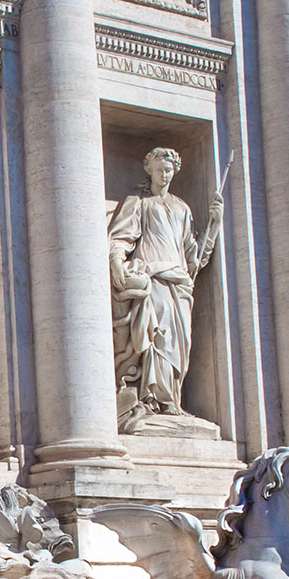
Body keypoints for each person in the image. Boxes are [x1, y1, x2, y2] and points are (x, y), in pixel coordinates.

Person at [108, 147, 223, 429]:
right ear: (150, 170)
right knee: (156, 338)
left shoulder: (182, 208)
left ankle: (172, 399)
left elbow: (194, 258)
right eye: (159, 168)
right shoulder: (138, 201)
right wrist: (116, 261)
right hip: (153, 277)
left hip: (179, 282)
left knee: (178, 344)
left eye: (169, 169)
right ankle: (151, 399)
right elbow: (121, 236)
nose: (164, 173)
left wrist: (216, 224)